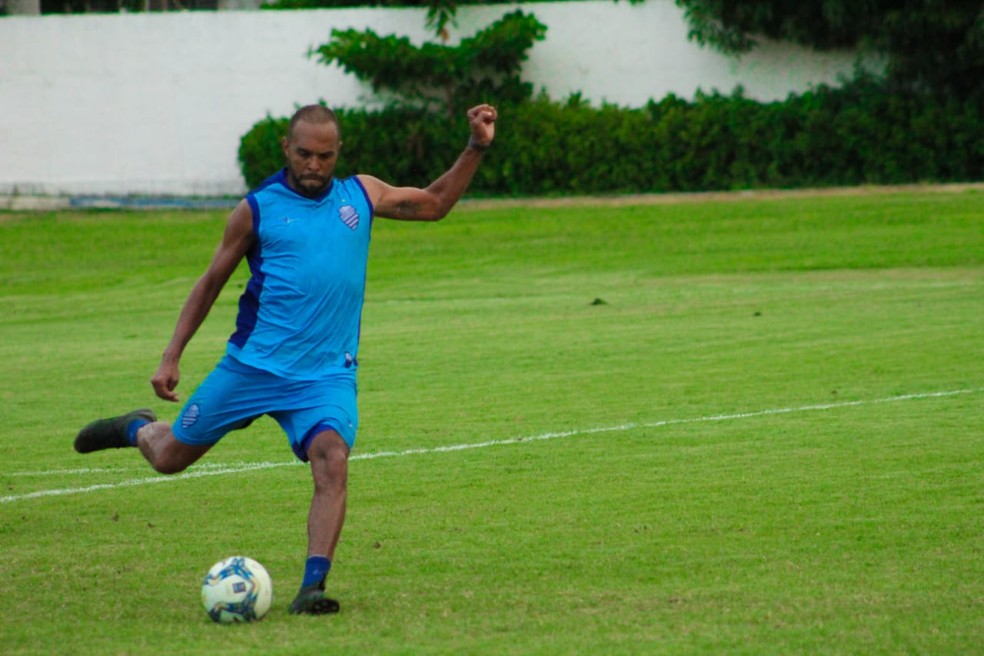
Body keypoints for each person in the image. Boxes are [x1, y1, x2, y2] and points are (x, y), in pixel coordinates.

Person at [74, 103, 498, 615]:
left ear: (338, 152)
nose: (314, 165)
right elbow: (211, 282)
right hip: (252, 369)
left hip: (324, 377)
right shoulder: (258, 209)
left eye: (324, 155)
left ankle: (311, 587)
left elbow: (434, 203)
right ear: (286, 149)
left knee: (331, 460)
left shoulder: (360, 195)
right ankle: (136, 428)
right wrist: (171, 355)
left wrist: (475, 147)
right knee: (168, 459)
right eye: (304, 154)